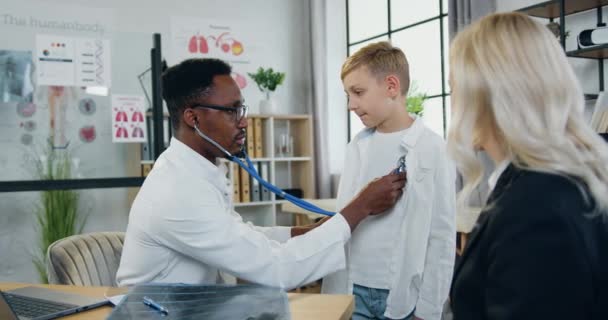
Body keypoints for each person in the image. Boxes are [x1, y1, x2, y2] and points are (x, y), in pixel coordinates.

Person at [116, 58, 407, 289]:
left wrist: (299, 232)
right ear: (193, 118)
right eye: (231, 111)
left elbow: (238, 234)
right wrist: (361, 207)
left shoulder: (195, 172)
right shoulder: (178, 191)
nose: (244, 123)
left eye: (241, 109)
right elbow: (276, 269)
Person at [448, 12, 608, 320]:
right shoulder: (550, 185)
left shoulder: (537, 210)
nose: (454, 104)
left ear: (487, 94)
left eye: (454, 87)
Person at [321, 41, 456, 320]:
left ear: (392, 87)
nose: (351, 105)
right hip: (351, 289)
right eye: (348, 95)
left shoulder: (433, 148)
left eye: (358, 92)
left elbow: (441, 237)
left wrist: (429, 310)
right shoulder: (356, 147)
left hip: (404, 298)